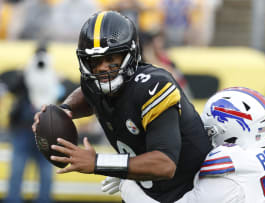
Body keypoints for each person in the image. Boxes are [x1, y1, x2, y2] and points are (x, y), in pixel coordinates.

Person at [32, 11, 212, 203]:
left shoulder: (153, 86)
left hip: (196, 191)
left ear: (130, 55)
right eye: (95, 61)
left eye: (111, 59)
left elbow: (164, 164)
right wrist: (64, 110)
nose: (102, 68)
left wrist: (98, 162)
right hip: (153, 192)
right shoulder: (95, 84)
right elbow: (87, 92)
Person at [101, 87, 265, 203]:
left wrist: (128, 181)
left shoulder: (229, 173)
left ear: (228, 132)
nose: (205, 137)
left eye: (210, 132)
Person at [1, 44, 57, 203]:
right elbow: (9, 86)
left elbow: (66, 92)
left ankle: (44, 199)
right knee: (17, 170)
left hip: (44, 131)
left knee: (45, 171)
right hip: (23, 131)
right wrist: (24, 73)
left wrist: (55, 78)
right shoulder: (23, 75)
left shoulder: (52, 76)